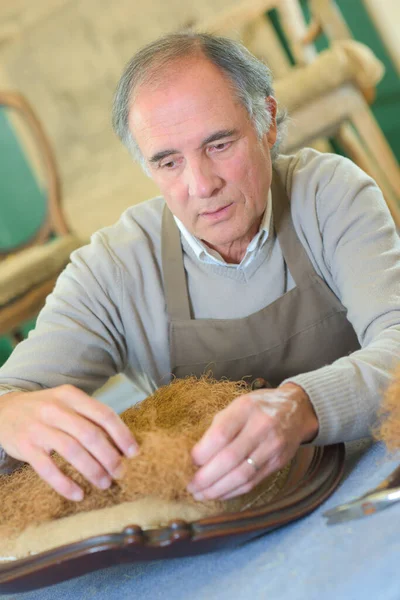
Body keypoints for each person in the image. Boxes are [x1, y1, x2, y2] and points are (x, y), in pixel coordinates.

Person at [0, 32, 399, 505]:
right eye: (168, 162)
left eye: (219, 145)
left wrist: (301, 406)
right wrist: (9, 416)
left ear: (266, 122)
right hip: (230, 521)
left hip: (374, 472)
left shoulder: (329, 193)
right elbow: (14, 393)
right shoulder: (114, 270)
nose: (200, 185)